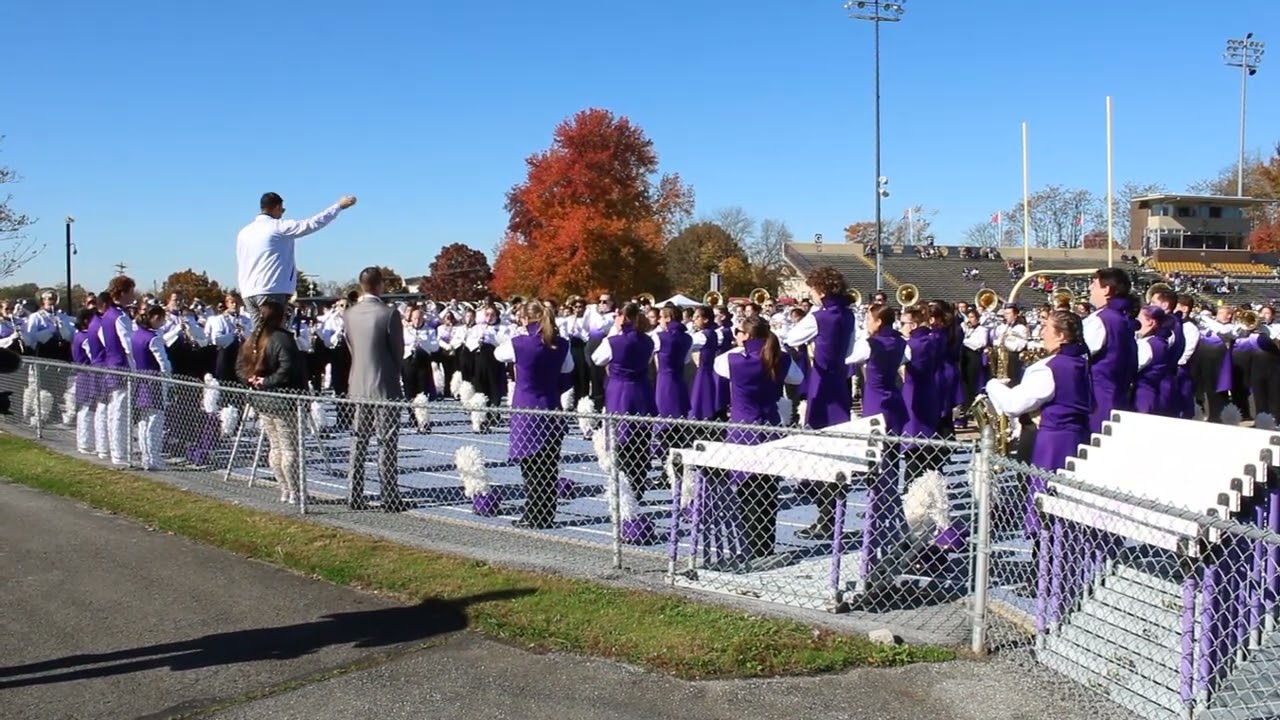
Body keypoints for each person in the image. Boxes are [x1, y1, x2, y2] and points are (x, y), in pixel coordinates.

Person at [984, 310, 1092, 537]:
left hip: (1050, 440)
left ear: (1062, 336)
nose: (1041, 333)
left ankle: (1041, 560)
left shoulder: (1048, 367)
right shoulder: (1081, 360)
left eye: (1047, 328)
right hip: (1077, 437)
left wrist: (993, 385)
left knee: (1043, 500)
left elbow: (1014, 405)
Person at [713, 315, 803, 559]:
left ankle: (750, 547)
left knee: (746, 492)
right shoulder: (778, 358)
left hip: (742, 431)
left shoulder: (731, 359)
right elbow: (798, 378)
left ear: (747, 335)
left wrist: (741, 346)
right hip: (770, 429)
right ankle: (766, 547)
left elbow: (717, 367)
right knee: (768, 491)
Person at [495, 300, 574, 528]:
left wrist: (517, 332)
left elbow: (499, 354)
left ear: (525, 319)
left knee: (530, 466)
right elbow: (568, 368)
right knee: (549, 465)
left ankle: (533, 514)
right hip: (551, 408)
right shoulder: (561, 344)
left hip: (526, 410)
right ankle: (547, 514)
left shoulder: (519, 343)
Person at [236, 192, 356, 320]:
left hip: (248, 292)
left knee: (258, 336)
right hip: (272, 290)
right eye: (282, 209)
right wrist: (338, 207)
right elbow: (312, 223)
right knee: (275, 336)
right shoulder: (279, 227)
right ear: (277, 207)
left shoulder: (244, 232)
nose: (282, 213)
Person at [344, 267, 406, 512]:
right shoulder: (389, 314)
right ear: (379, 285)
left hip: (358, 382)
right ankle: (389, 496)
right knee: (387, 443)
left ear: (361, 286)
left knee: (358, 441)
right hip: (385, 384)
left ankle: (354, 494)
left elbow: (351, 346)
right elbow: (398, 351)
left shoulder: (349, 314)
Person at [237, 301, 309, 503]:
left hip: (263, 400)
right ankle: (295, 490)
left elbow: (240, 367)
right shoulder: (281, 339)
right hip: (282, 400)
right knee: (288, 447)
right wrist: (264, 381)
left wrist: (252, 380)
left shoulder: (253, 338)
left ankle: (285, 489)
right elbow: (288, 368)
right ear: (281, 317)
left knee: (276, 446)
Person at [1083, 268, 1138, 432]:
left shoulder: (1101, 320)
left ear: (1106, 290)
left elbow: (1079, 355)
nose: (1090, 289)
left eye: (1094, 284)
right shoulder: (1121, 317)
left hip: (1097, 398)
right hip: (1116, 393)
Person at [130, 305, 172, 471]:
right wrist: (168, 380)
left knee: (143, 422)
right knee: (154, 421)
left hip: (140, 380)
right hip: (154, 382)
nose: (163, 322)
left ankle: (146, 456)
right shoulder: (153, 338)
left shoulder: (135, 335)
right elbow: (163, 363)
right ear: (154, 317)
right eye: (161, 318)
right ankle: (153, 458)